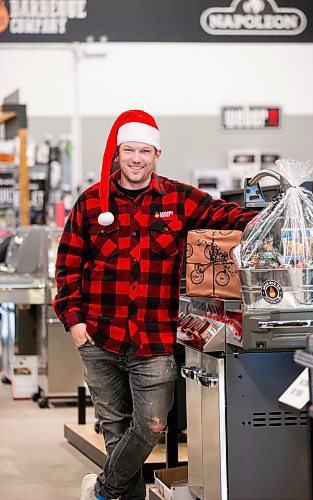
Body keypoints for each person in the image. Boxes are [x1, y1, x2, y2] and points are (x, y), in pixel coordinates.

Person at [53, 109, 256, 500]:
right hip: (100, 337)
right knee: (114, 429)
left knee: (150, 426)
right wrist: (76, 325)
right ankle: (123, 496)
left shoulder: (178, 199)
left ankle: (103, 490)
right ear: (118, 152)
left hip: (155, 339)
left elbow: (224, 213)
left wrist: (270, 217)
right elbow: (67, 269)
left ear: (157, 154)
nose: (136, 158)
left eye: (144, 151)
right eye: (129, 150)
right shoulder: (91, 203)